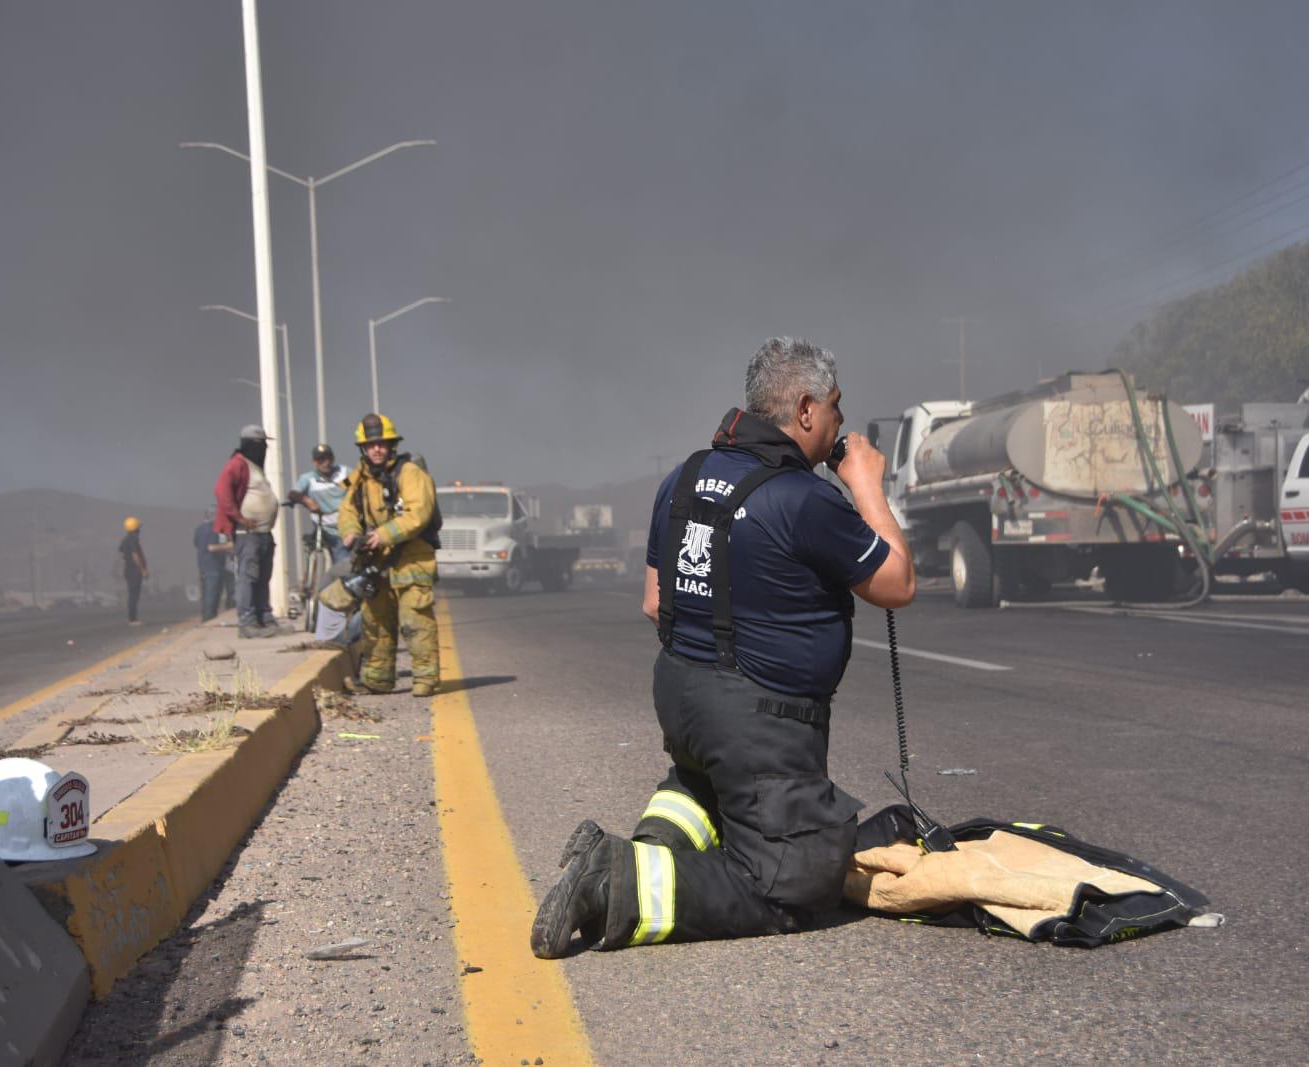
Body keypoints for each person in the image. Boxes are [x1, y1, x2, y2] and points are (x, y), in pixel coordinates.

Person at [531, 337, 915, 959]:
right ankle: (612, 878)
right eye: (838, 408)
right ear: (808, 410)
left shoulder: (680, 479)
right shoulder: (804, 498)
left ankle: (653, 846)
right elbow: (897, 585)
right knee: (788, 883)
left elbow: (656, 602)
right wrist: (867, 483)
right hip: (759, 726)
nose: (841, 423)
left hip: (683, 700)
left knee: (706, 779)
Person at [336, 412, 441, 697]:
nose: (377, 449)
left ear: (392, 444)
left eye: (382, 443)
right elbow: (347, 511)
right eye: (371, 445)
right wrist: (350, 533)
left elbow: (418, 514)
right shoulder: (359, 479)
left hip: (412, 558)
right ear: (363, 449)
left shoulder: (410, 473)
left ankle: (426, 679)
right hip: (376, 561)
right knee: (375, 620)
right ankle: (377, 680)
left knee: (414, 619)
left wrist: (382, 535)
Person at [214, 424, 282, 638]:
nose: (264, 449)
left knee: (263, 576)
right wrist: (240, 518)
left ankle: (264, 617)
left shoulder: (254, 466)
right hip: (248, 535)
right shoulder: (237, 465)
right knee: (249, 576)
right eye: (261, 445)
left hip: (263, 533)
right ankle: (248, 621)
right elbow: (222, 492)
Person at [289, 444, 352, 563]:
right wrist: (307, 500)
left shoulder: (343, 473)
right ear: (314, 462)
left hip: (348, 525)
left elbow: (355, 486)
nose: (325, 463)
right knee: (342, 558)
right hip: (327, 528)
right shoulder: (309, 479)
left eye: (328, 458)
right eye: (321, 459)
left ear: (333, 459)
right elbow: (293, 493)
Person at [193, 510, 234, 622]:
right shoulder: (213, 529)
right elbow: (211, 547)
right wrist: (229, 545)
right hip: (214, 567)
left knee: (206, 596)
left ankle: (205, 619)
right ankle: (209, 620)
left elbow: (197, 544)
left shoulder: (199, 529)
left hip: (203, 566)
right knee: (212, 596)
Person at [117, 517, 149, 625]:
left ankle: (132, 618)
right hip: (134, 571)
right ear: (135, 528)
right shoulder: (133, 539)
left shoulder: (125, 540)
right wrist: (142, 570)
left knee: (132, 594)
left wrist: (120, 569)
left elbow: (121, 555)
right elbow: (135, 555)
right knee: (134, 595)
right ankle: (133, 619)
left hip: (128, 570)